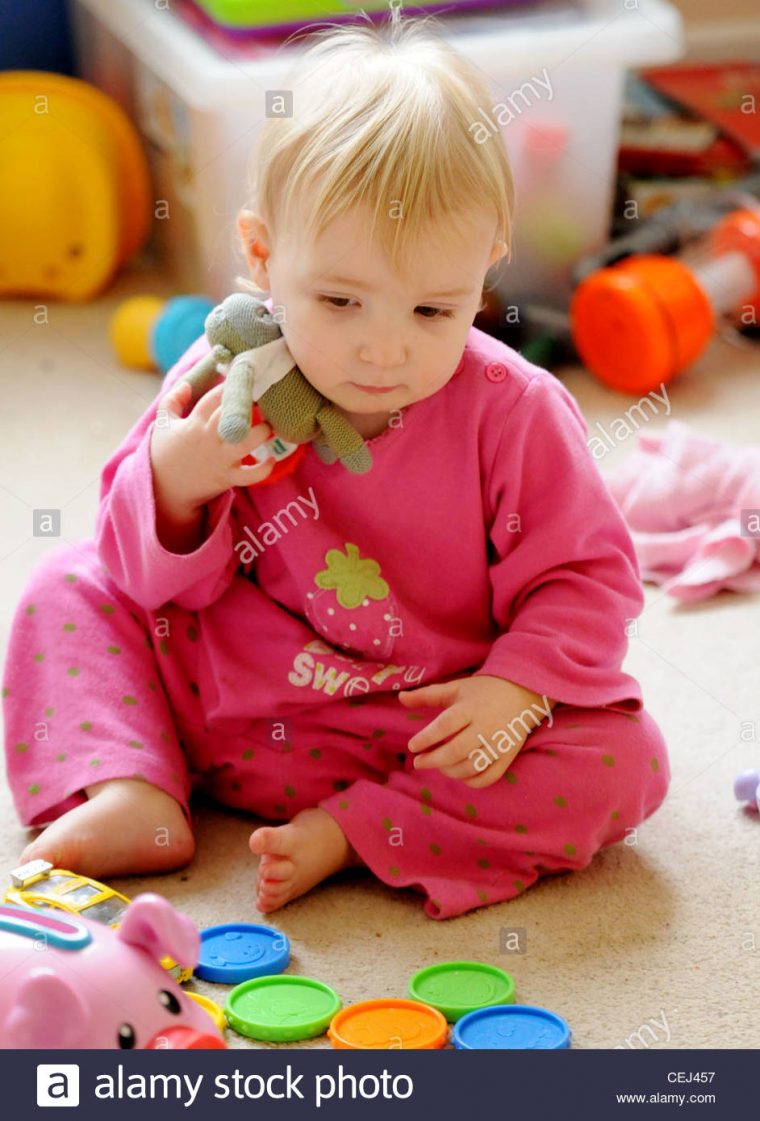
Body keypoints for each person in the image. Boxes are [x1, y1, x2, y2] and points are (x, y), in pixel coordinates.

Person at [1, 12, 669, 920]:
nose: (383, 351)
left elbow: (586, 578)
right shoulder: (224, 376)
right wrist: (184, 473)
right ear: (263, 256)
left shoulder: (514, 411)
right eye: (341, 300)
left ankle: (363, 831)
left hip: (417, 727)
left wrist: (515, 687)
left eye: (433, 311)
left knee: (622, 761)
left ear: (487, 269)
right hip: (225, 693)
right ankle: (132, 789)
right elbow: (134, 567)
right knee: (65, 584)